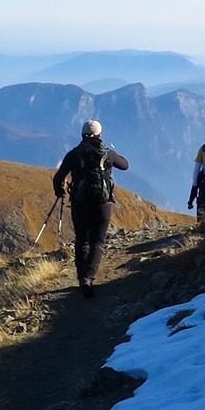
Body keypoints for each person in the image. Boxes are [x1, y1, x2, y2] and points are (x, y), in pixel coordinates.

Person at [52, 119, 130, 294]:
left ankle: (81, 277)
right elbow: (125, 165)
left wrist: (60, 191)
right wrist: (115, 154)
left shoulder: (73, 154)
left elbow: (58, 177)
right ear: (100, 135)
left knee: (82, 241)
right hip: (103, 203)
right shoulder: (108, 154)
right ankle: (89, 277)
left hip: (80, 203)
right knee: (98, 242)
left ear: (82, 135)